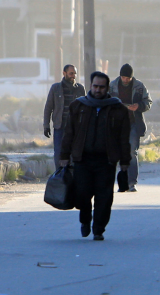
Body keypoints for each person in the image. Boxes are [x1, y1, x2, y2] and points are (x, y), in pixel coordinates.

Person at [59, 71, 131, 240]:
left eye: (102, 87)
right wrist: (64, 155)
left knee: (104, 197)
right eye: (95, 86)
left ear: (107, 88)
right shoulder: (78, 106)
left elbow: (124, 138)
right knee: (82, 194)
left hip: (106, 161)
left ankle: (98, 229)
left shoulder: (118, 109)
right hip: (82, 159)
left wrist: (125, 160)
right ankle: (85, 220)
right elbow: (69, 133)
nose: (98, 90)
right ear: (90, 86)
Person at [109, 63, 152, 192]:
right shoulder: (112, 86)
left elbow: (148, 102)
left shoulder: (139, 86)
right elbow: (105, 100)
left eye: (128, 78)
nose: (125, 80)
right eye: (123, 77)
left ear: (132, 77)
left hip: (133, 123)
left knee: (132, 152)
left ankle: (132, 182)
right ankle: (121, 183)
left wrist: (138, 106)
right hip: (117, 125)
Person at [43, 64, 86, 170]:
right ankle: (59, 174)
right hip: (60, 126)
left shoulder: (80, 89)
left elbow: (85, 109)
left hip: (75, 128)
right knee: (59, 153)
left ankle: (72, 175)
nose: (73, 76)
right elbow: (48, 108)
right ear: (64, 73)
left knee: (74, 153)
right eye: (71, 73)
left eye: (75, 74)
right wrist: (46, 126)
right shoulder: (56, 88)